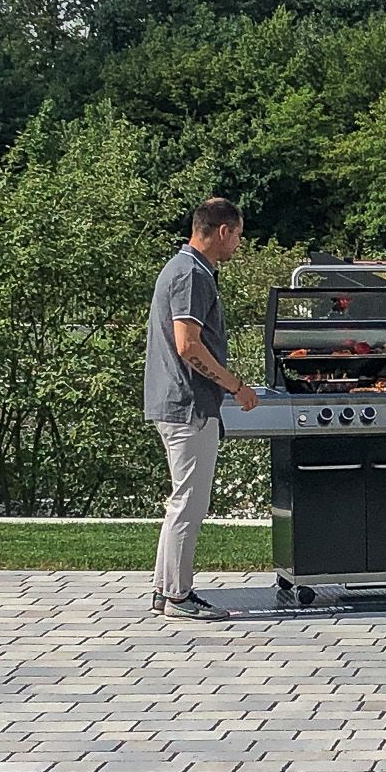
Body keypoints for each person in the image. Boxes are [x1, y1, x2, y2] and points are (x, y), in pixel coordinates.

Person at [144, 196, 258, 621]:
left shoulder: (185, 269)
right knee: (189, 502)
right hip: (187, 404)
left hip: (176, 402)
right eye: (239, 237)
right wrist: (237, 387)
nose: (239, 246)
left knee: (182, 500)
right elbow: (187, 344)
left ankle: (164, 589)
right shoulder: (192, 275)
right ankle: (178, 595)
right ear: (223, 231)